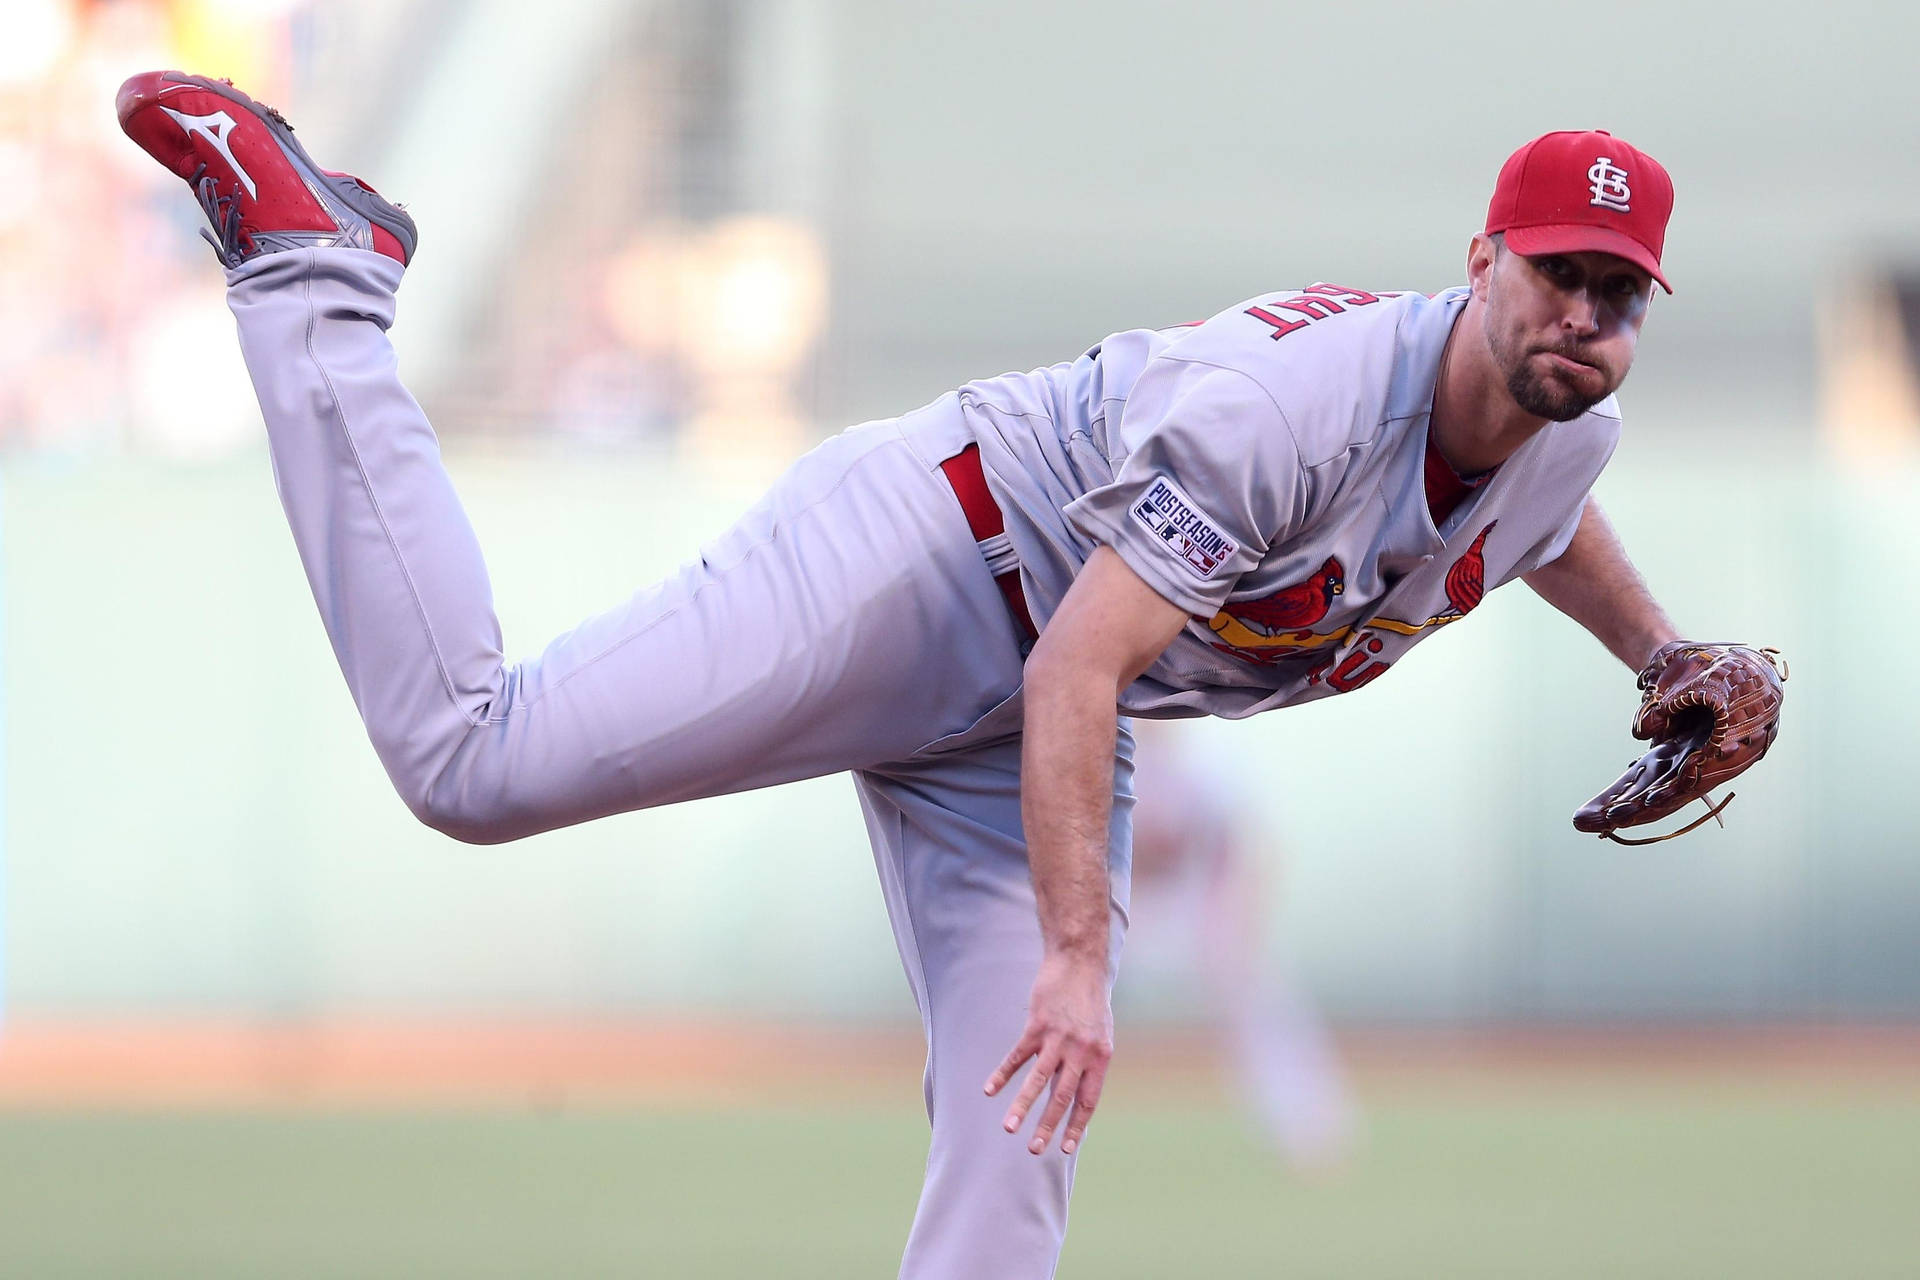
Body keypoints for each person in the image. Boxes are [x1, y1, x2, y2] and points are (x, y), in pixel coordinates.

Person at [119, 69, 1713, 1279]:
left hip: (1027, 703)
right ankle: (321, 280)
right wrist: (1082, 958)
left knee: (1023, 1124)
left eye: (1616, 292)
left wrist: (1666, 654)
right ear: (1482, 259)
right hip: (934, 558)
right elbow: (1086, 666)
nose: (1582, 313)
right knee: (476, 765)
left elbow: (1546, 520)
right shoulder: (1290, 410)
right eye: (1556, 272)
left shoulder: (1564, 442)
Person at [1123, 721, 1357, 1169]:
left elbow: (1248, 854)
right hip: (1121, 903)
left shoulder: (1208, 763)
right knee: (1045, 982)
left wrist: (1234, 924)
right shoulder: (1104, 744)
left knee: (1257, 994)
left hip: (1193, 901)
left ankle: (1309, 1125)